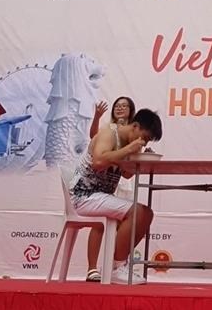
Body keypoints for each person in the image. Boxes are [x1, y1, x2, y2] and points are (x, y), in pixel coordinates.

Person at [69, 108, 163, 284]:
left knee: (146, 214)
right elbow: (98, 162)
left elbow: (126, 175)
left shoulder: (129, 143)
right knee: (139, 212)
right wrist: (128, 149)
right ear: (135, 126)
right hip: (83, 195)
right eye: (144, 137)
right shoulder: (110, 134)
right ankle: (116, 267)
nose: (142, 143)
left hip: (100, 196)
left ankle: (117, 265)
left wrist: (140, 159)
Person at [84, 96, 137, 282]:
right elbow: (94, 139)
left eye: (125, 106)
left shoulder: (132, 137)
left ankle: (117, 266)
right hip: (92, 189)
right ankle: (92, 269)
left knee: (129, 221)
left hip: (115, 185)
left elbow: (128, 174)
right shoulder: (108, 131)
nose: (120, 108)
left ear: (131, 111)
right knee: (100, 222)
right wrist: (97, 116)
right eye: (118, 106)